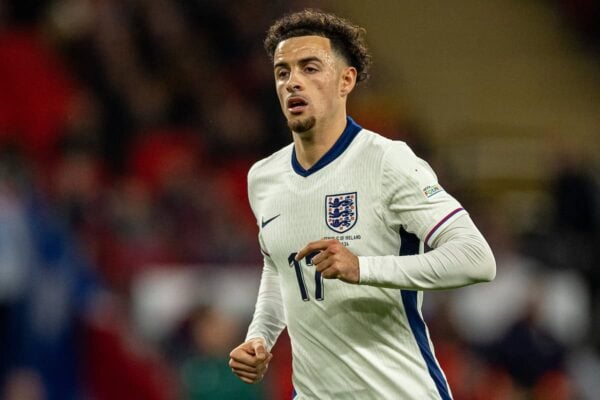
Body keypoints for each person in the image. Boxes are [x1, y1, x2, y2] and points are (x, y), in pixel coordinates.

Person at [228, 9, 496, 400]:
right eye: (282, 72)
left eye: (310, 68)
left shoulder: (388, 161)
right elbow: (279, 264)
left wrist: (362, 268)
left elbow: (476, 258)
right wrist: (260, 338)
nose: (293, 82)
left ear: (345, 80)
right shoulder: (263, 178)